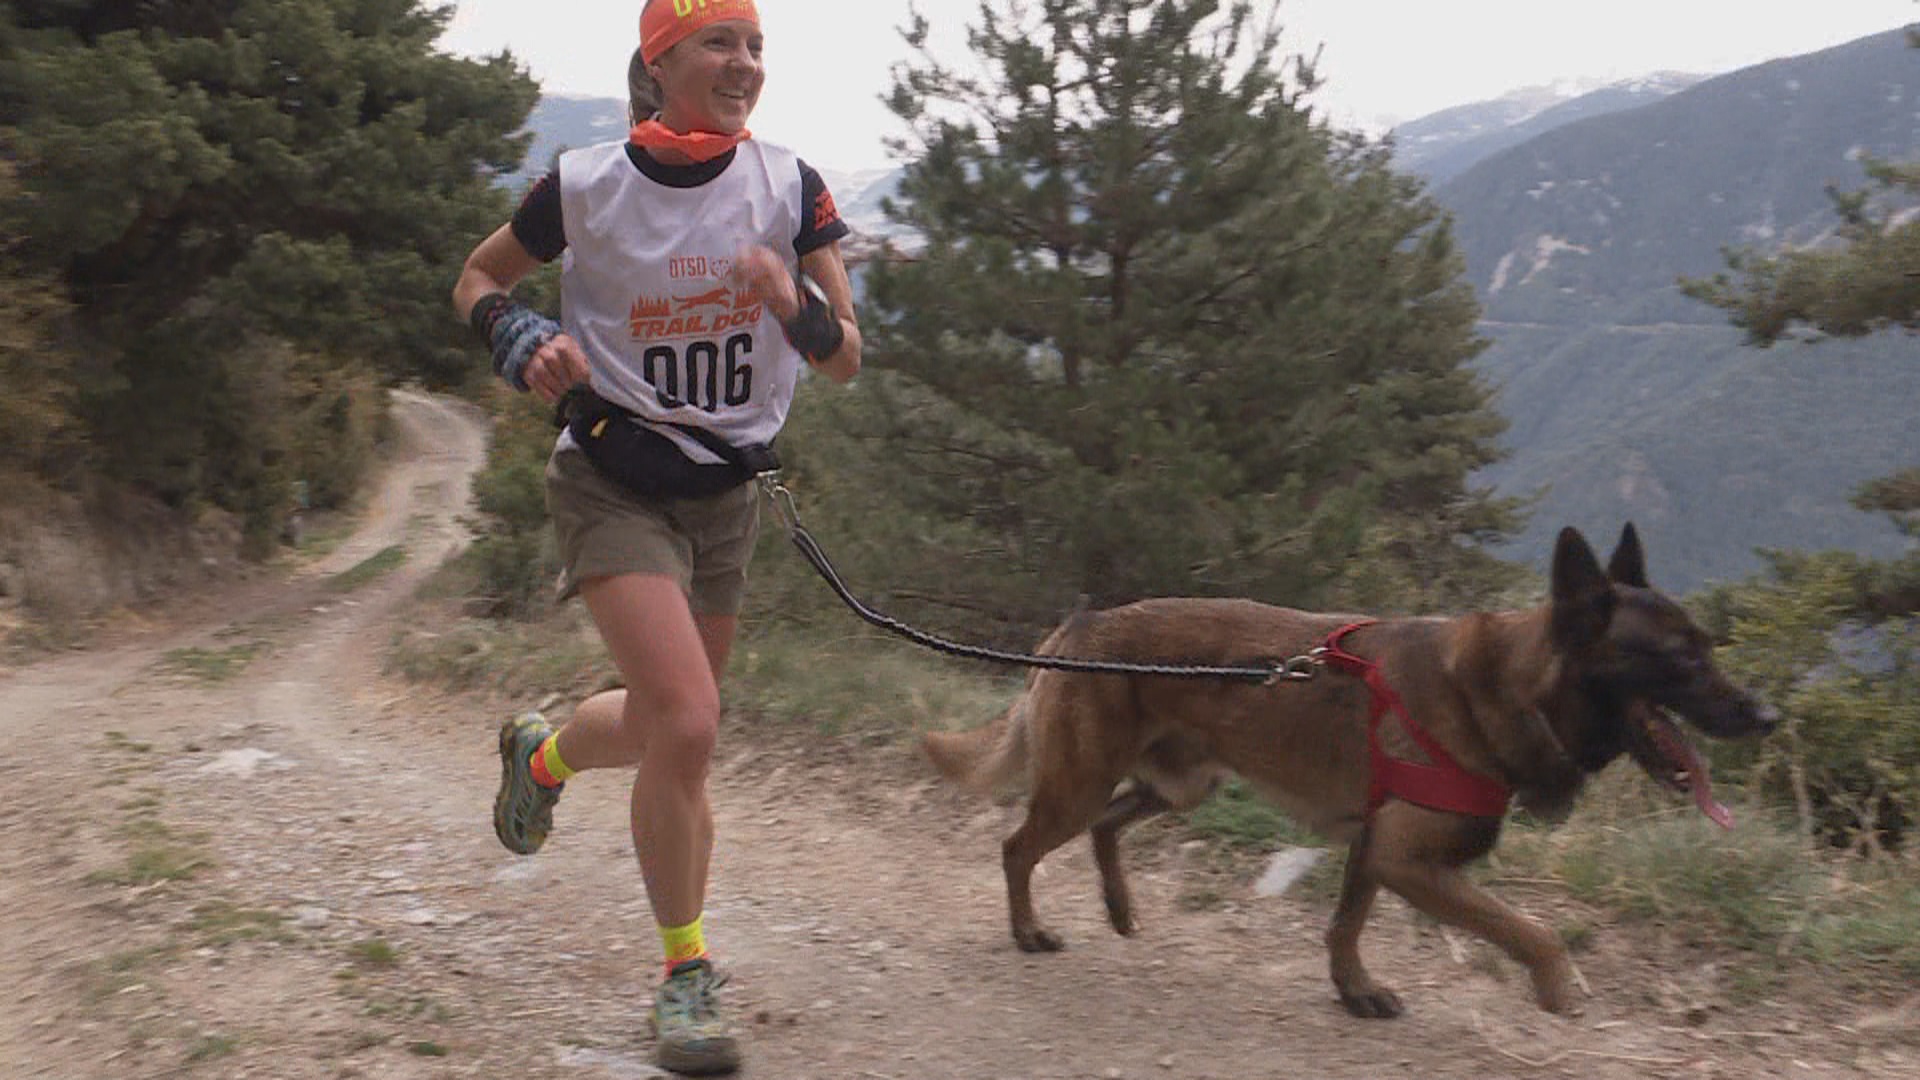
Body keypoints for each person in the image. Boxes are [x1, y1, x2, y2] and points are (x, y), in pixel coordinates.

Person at [451, 1, 860, 1073]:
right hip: (611, 480)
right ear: (661, 60)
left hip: (725, 496)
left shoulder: (790, 185)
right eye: (720, 44)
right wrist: (522, 333)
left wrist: (791, 307)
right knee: (687, 720)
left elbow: (845, 354)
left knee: (673, 727)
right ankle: (686, 978)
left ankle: (540, 759)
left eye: (756, 47)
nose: (744, 66)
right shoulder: (583, 183)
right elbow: (478, 278)